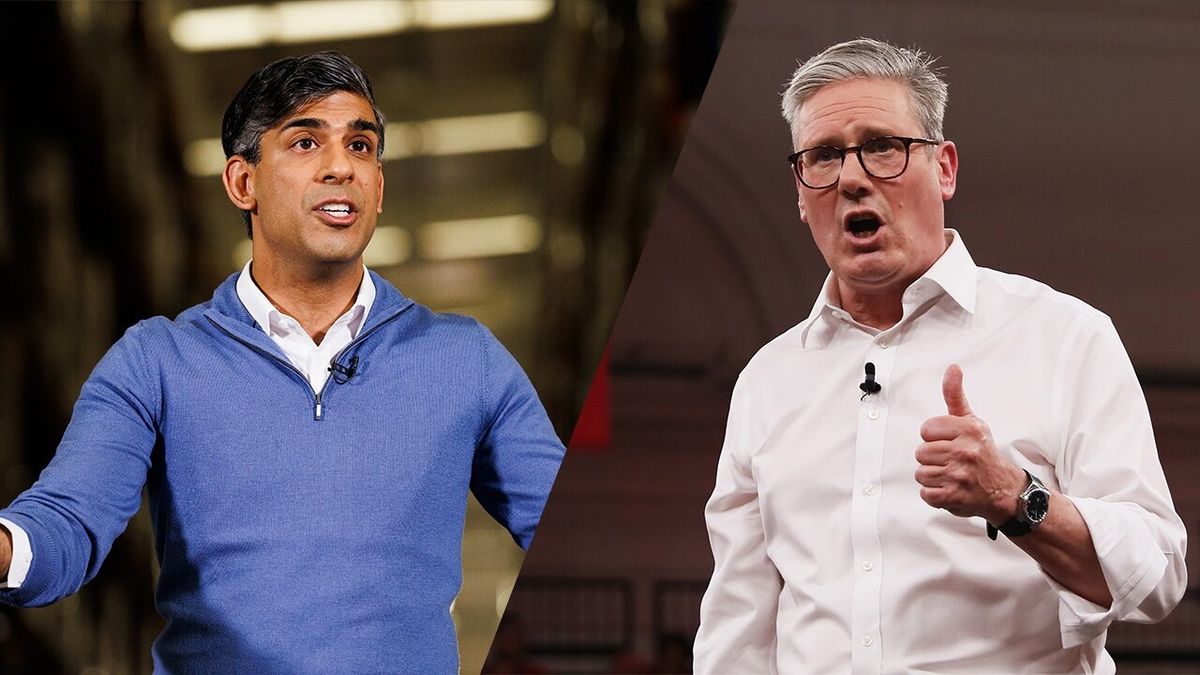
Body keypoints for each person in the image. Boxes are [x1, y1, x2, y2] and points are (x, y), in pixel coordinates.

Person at [0, 52, 565, 672]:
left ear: (380, 186)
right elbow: (66, 523)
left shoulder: (465, 360)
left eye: (360, 146)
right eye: (304, 142)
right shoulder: (157, 360)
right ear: (243, 183)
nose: (340, 168)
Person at [693, 38, 1186, 674]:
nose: (851, 178)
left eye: (881, 147)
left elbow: (1157, 576)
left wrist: (1017, 499)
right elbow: (739, 626)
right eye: (822, 157)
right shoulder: (767, 381)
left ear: (945, 168)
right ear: (800, 192)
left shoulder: (1064, 337)